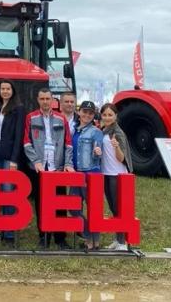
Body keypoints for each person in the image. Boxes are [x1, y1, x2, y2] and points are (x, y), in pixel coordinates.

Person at [23, 88, 73, 250]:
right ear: (38, 100)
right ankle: (43, 236)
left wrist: (68, 164)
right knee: (41, 203)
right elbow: (26, 142)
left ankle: (60, 238)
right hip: (40, 169)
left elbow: (68, 143)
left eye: (47, 99)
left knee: (60, 203)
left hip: (57, 168)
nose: (45, 102)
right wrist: (36, 161)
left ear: (52, 100)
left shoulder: (61, 118)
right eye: (42, 99)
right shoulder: (31, 118)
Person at [0, 80, 25, 246]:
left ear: (13, 91)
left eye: (8, 88)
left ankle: (10, 233)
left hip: (8, 156)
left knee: (8, 193)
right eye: (2, 88)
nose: (5, 91)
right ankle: (1, 229)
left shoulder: (18, 109)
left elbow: (19, 136)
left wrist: (14, 160)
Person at [100, 103, 134, 251]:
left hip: (117, 174)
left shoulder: (118, 133)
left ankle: (122, 242)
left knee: (118, 207)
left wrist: (116, 146)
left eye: (110, 115)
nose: (107, 117)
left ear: (116, 116)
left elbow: (121, 158)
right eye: (104, 115)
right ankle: (118, 239)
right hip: (106, 173)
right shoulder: (103, 131)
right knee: (113, 207)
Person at [70, 100, 103, 250]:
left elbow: (98, 152)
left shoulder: (96, 132)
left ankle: (94, 241)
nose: (87, 115)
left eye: (90, 113)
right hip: (76, 173)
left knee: (93, 208)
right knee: (73, 207)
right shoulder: (75, 130)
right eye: (84, 112)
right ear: (79, 112)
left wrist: (97, 152)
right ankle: (88, 234)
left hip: (91, 173)